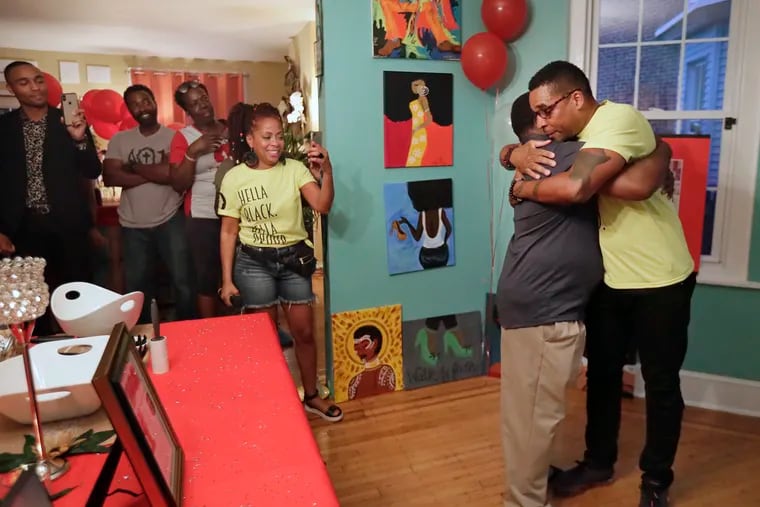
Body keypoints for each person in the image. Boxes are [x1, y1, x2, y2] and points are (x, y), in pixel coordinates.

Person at [505, 61, 695, 507]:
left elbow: (583, 188)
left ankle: (656, 480)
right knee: (604, 376)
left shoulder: (617, 120)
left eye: (547, 110)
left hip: (660, 277)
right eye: (536, 115)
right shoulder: (574, 138)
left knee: (661, 384)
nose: (542, 122)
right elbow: (534, 151)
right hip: (611, 279)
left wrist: (521, 188)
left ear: (575, 98)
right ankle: (598, 463)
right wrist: (512, 153)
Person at [218, 102, 342, 422]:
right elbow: (229, 231)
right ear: (250, 140)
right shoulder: (234, 178)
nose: (275, 143)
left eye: (279, 136)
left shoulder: (295, 169)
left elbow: (322, 205)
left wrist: (327, 172)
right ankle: (272, 400)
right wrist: (227, 280)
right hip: (253, 264)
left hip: (293, 262)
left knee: (304, 333)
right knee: (265, 339)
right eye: (266, 136)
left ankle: (311, 396)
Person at [0, 61, 101, 335]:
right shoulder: (4, 128)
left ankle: (86, 349)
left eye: (38, 79)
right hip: (22, 228)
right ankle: (38, 352)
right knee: (32, 305)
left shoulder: (67, 121)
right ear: (11, 88)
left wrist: (79, 139)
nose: (35, 87)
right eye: (24, 82)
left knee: (77, 297)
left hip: (69, 225)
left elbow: (93, 170)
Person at [103, 84, 195, 323]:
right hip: (132, 225)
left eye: (145, 101)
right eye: (134, 104)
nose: (141, 107)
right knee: (138, 287)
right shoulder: (120, 140)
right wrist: (157, 171)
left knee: (183, 281)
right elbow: (111, 177)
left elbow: (174, 176)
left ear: (154, 102)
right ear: (129, 110)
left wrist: (132, 167)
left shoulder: (174, 137)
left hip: (170, 219)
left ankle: (188, 329)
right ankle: (142, 334)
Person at [169, 80, 229, 318]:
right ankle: (210, 330)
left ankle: (240, 327)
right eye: (194, 103)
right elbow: (178, 184)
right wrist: (193, 151)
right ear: (187, 111)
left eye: (203, 98)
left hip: (236, 213)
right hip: (203, 215)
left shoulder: (229, 129)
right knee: (207, 278)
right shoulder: (183, 138)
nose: (202, 105)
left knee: (238, 274)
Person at [348, 325, 397, 400]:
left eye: (365, 345)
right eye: (356, 347)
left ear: (375, 343)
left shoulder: (386, 372)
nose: (360, 351)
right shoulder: (355, 381)